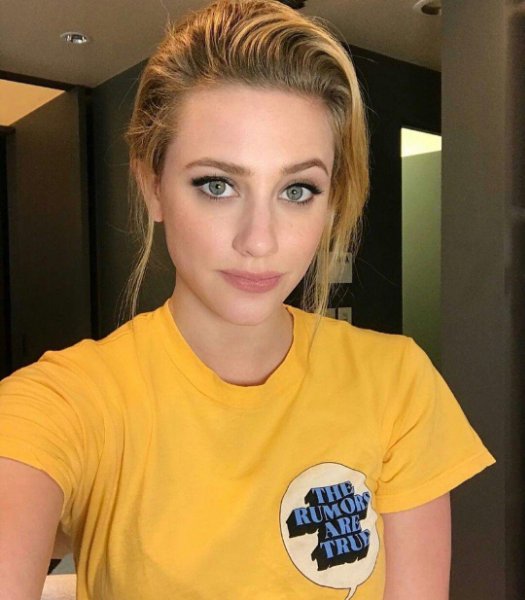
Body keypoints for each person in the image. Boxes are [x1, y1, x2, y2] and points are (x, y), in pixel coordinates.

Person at [0, 0, 495, 598]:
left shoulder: (397, 382)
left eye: (297, 190)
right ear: (152, 185)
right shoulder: (65, 402)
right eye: (218, 185)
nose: (260, 241)